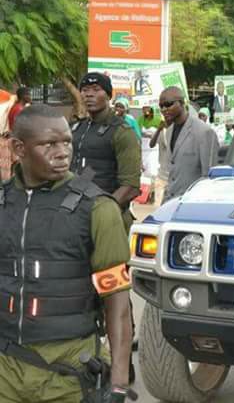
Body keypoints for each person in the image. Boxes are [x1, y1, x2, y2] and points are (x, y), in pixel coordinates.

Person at [0, 105, 133, 402]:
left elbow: (118, 303)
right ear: (19, 148)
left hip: (68, 371)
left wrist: (119, 384)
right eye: (49, 144)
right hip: (5, 368)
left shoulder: (98, 209)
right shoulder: (3, 202)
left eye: (66, 142)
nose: (62, 152)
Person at [70, 72, 141, 231]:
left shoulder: (122, 132)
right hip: (74, 216)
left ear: (108, 95)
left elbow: (130, 187)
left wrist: (102, 212)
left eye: (96, 89)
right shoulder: (76, 129)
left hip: (107, 220)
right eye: (85, 89)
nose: (89, 94)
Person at [159, 86, 219, 202]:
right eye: (161, 106)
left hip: (192, 203)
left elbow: (209, 177)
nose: (164, 109)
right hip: (170, 203)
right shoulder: (169, 131)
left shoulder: (204, 132)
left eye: (168, 104)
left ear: (182, 103)